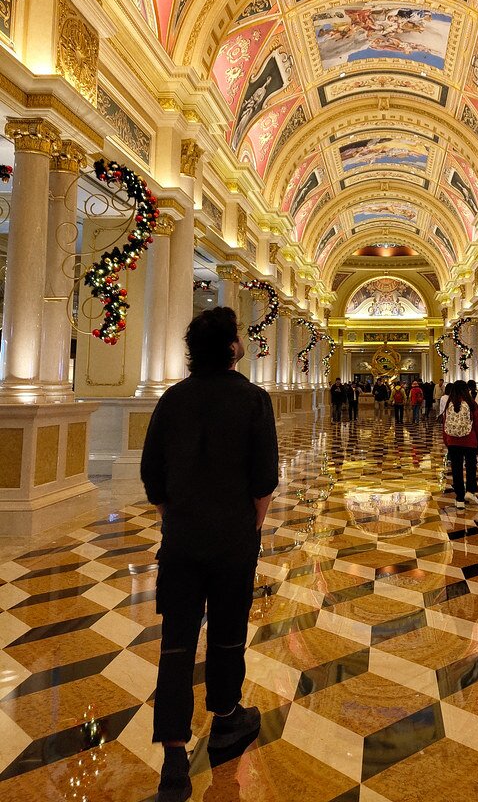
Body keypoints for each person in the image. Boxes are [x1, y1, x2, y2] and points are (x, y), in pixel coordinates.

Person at [140, 307, 278, 802]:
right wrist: (250, 524)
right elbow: (265, 480)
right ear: (231, 347)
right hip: (233, 539)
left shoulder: (171, 400)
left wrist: (175, 520)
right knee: (227, 631)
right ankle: (225, 716)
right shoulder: (253, 400)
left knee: (175, 643)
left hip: (180, 541)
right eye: (238, 336)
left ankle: (174, 757)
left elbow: (151, 475)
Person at [442, 379, 478, 510]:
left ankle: (459, 498)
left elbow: (444, 424)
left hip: (453, 441)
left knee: (456, 469)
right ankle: (470, 492)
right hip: (470, 441)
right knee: (471, 467)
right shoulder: (472, 403)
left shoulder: (449, 403)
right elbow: (477, 424)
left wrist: (446, 440)